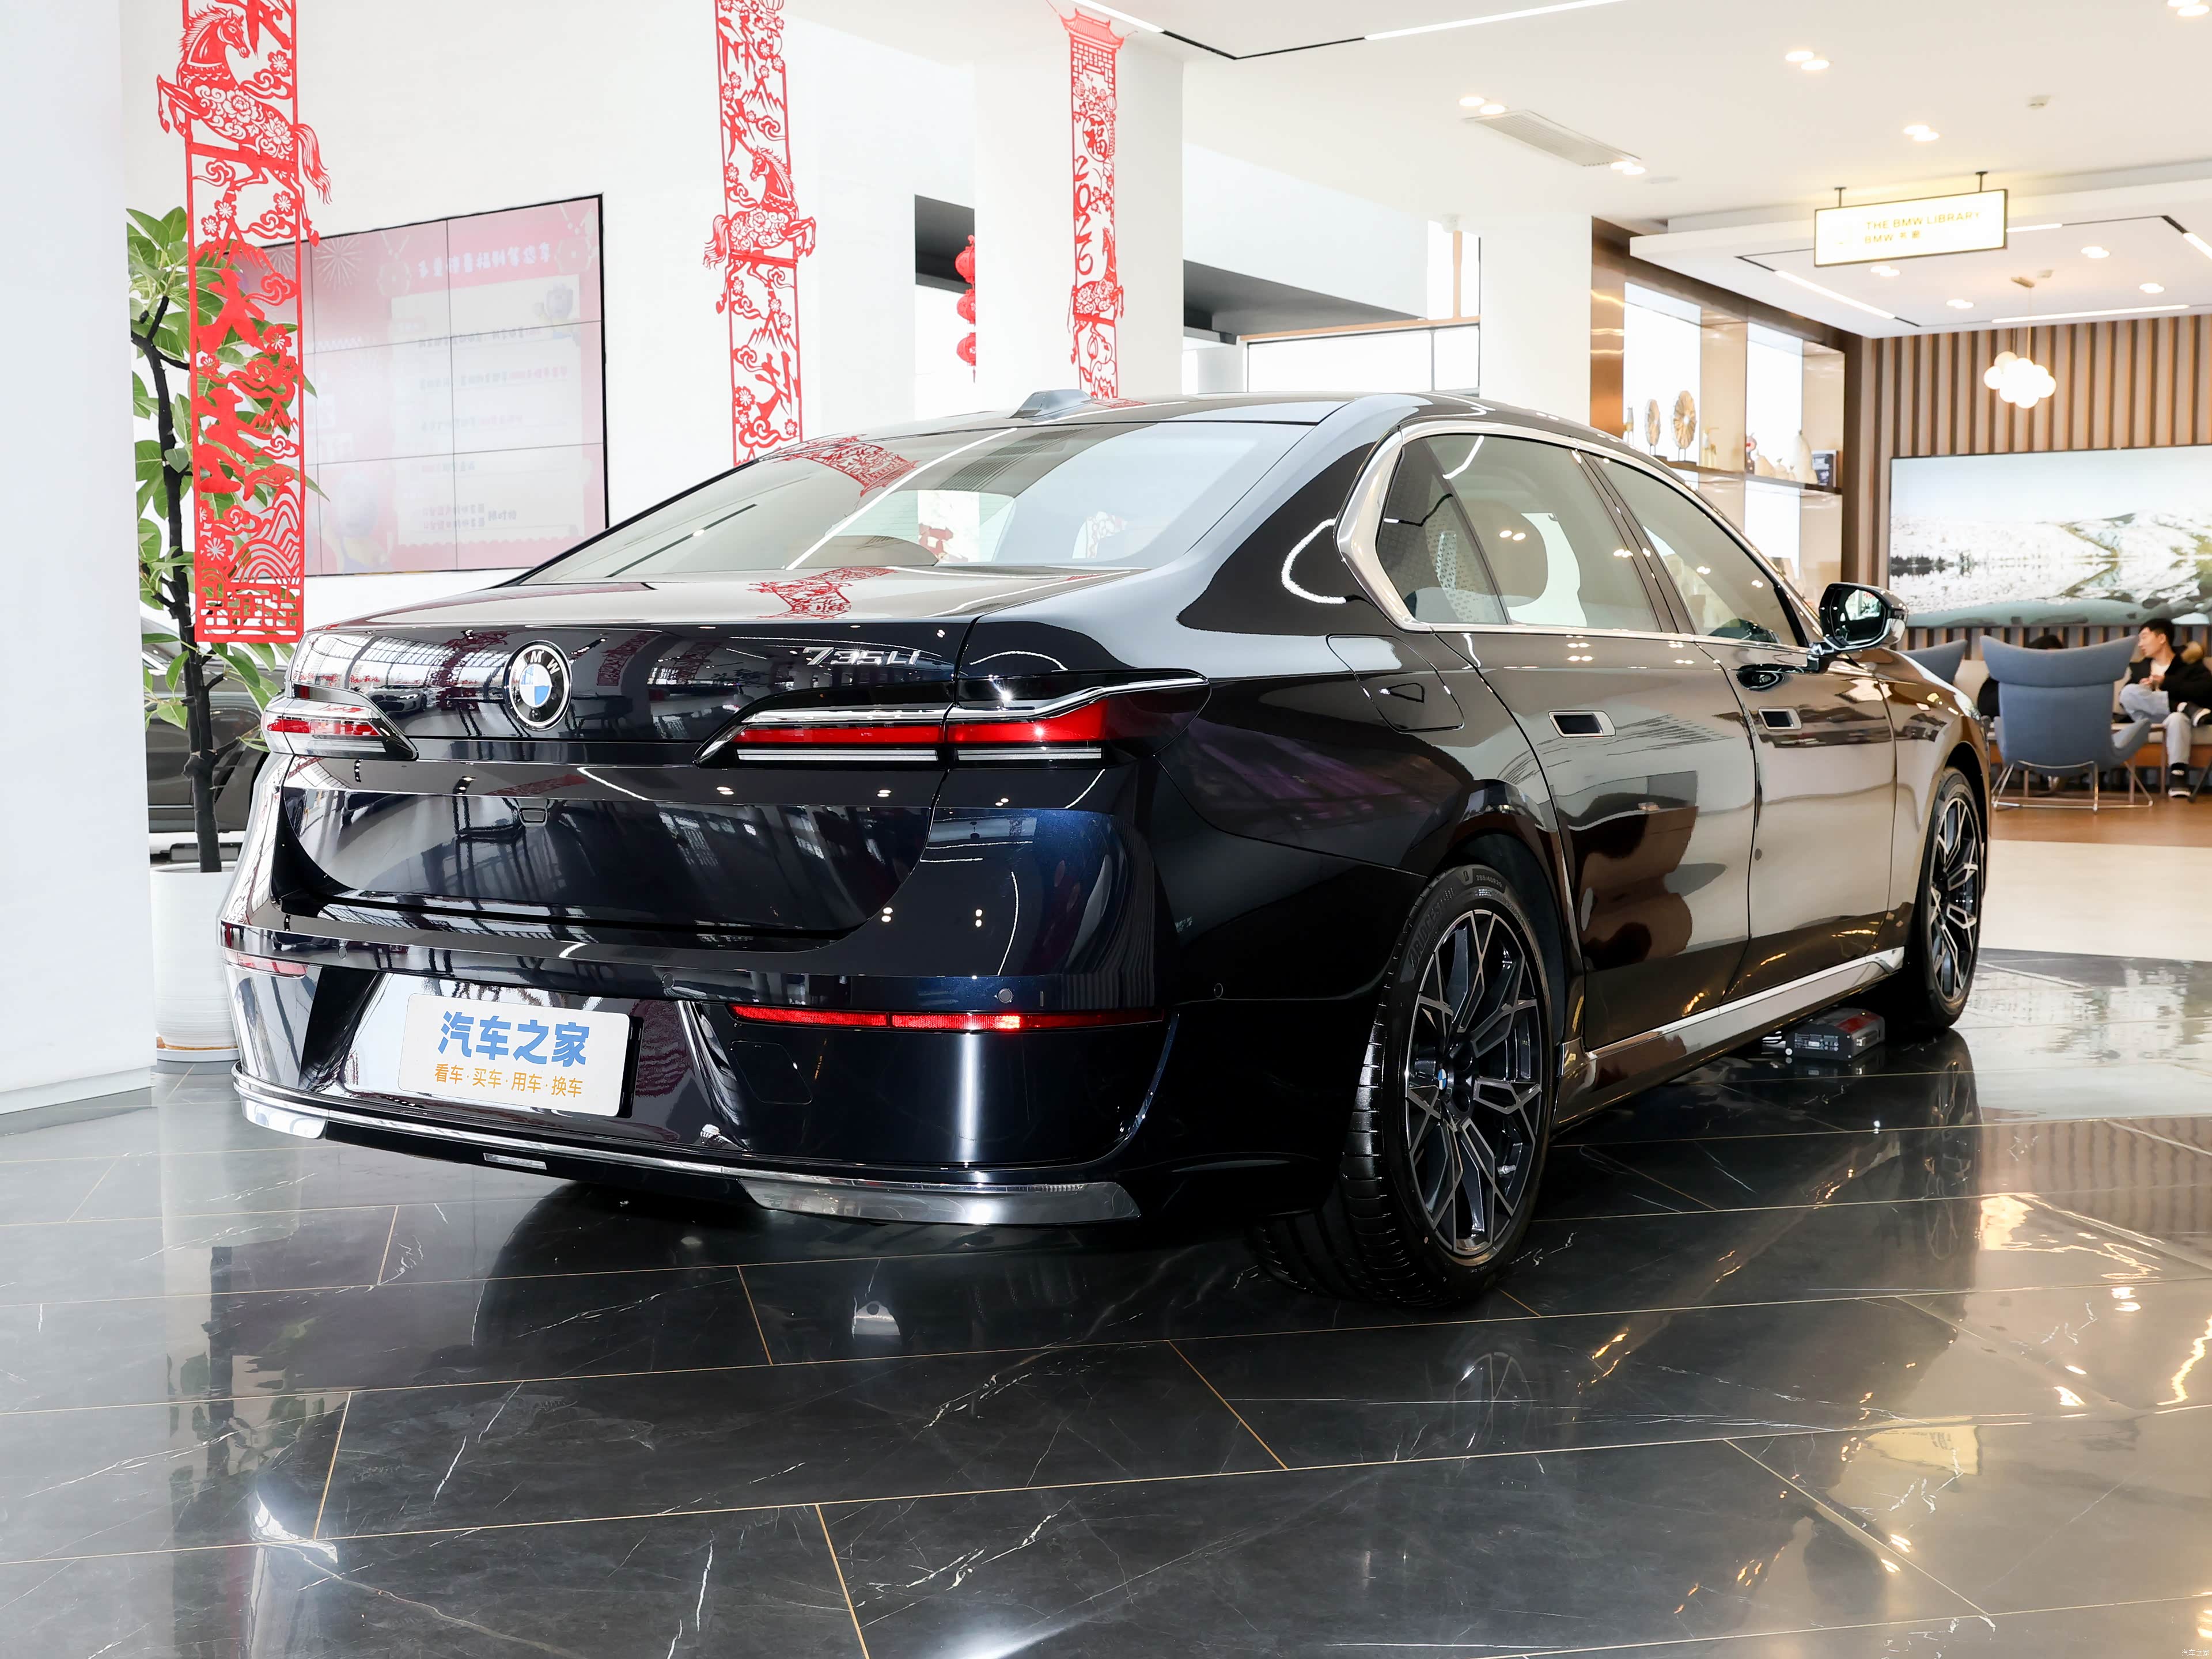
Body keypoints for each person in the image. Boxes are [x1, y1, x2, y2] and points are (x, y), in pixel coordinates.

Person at [2118, 618, 2212, 797]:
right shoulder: (2140, 668)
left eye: (2144, 637)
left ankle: (2178, 776)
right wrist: (2144, 689)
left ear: (2162, 638)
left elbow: (2205, 691)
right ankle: (2182, 707)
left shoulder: (2188, 662)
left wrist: (2166, 682)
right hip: (2147, 719)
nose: (2141, 644)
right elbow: (2125, 700)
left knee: (2177, 718)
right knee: (2129, 692)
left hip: (2176, 721)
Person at [1976, 631, 2063, 721]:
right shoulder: (2004, 678)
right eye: (2045, 659)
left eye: (2057, 661)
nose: (2050, 665)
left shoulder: (2064, 687)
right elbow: (1987, 709)